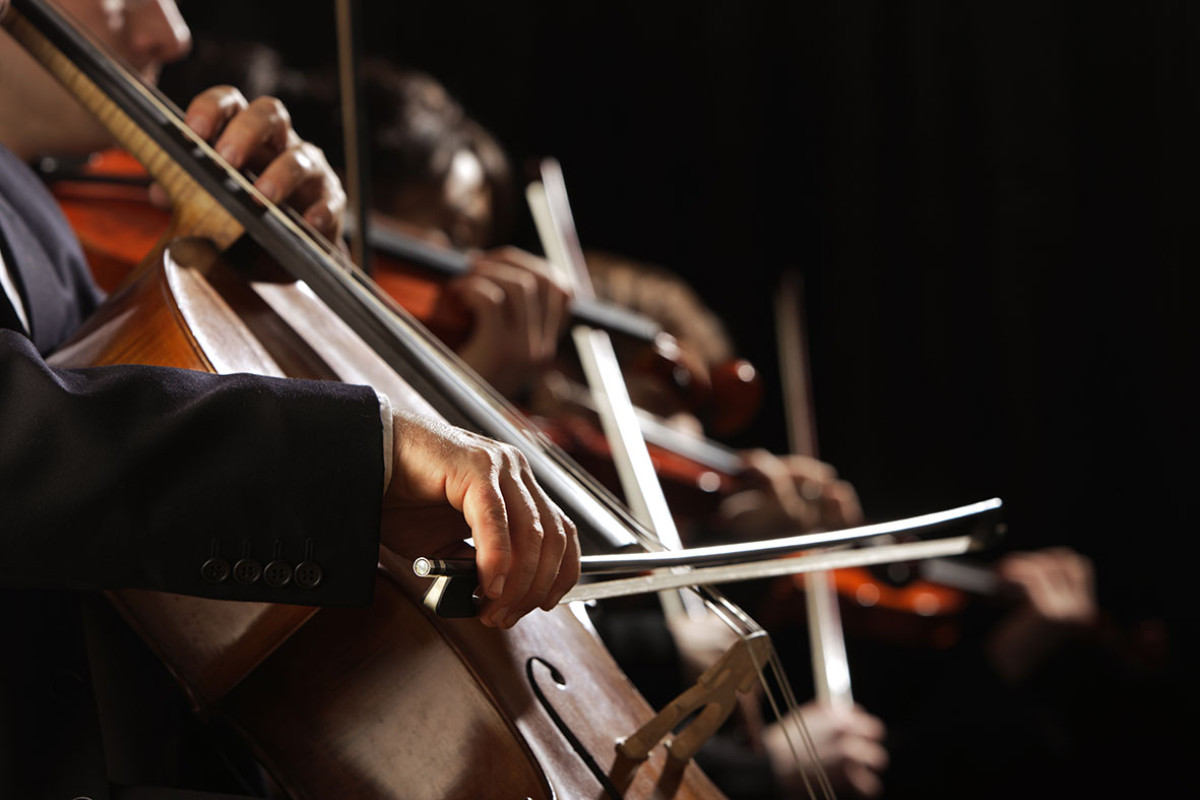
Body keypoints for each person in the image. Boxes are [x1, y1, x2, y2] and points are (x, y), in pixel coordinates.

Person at [0, 1, 578, 797]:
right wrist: (372, 459)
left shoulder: (26, 204)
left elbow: (108, 423)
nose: (170, 33)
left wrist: (241, 282)